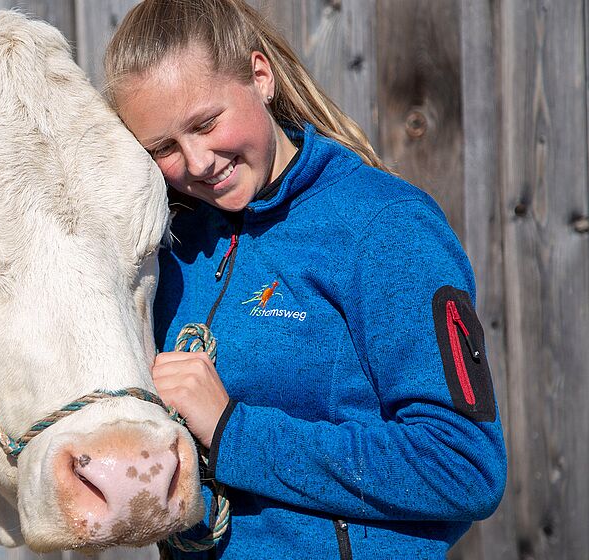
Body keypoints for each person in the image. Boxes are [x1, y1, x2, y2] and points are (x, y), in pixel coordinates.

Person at [102, 1, 507, 558]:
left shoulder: (384, 226)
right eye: (164, 148)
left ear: (260, 77)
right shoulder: (168, 247)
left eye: (205, 123)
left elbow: (463, 464)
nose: (196, 162)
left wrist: (232, 433)